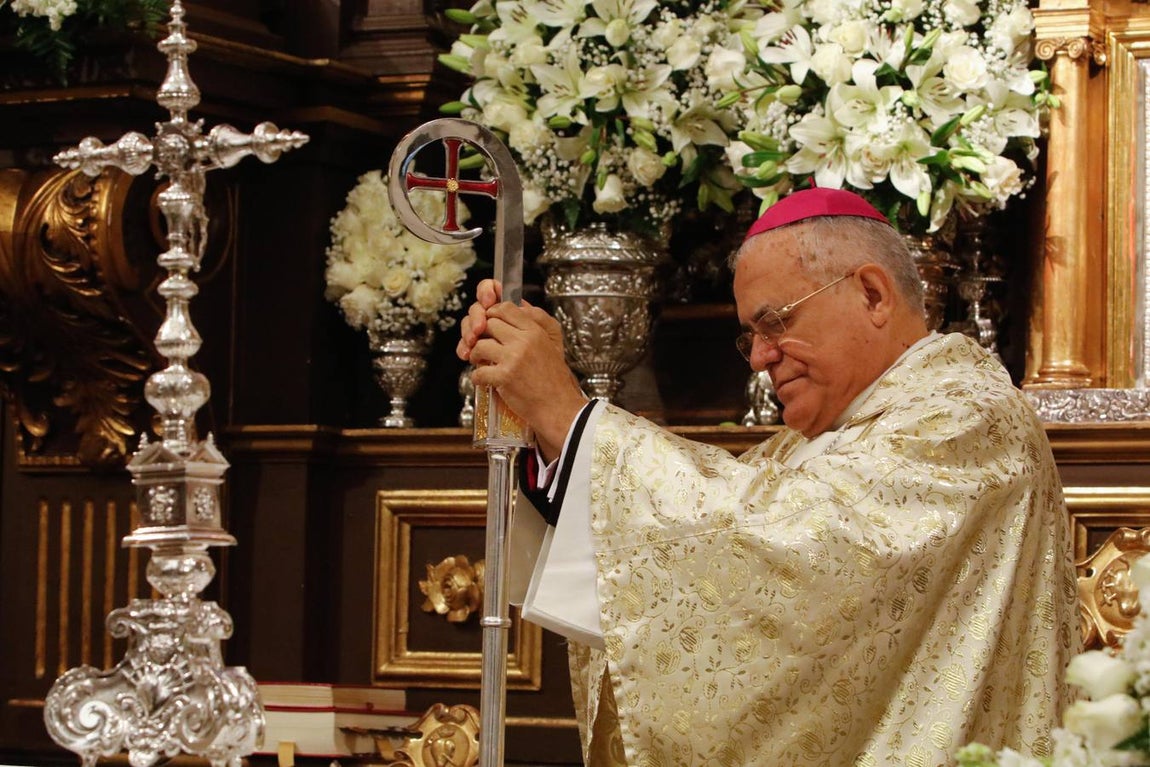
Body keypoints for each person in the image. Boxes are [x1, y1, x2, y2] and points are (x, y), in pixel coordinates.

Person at [458, 188, 1077, 766]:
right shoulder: (838, 432)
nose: (758, 357)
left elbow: (789, 548)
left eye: (776, 322)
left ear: (872, 294)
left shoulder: (964, 414)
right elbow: (705, 549)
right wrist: (546, 424)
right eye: (749, 335)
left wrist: (567, 413)